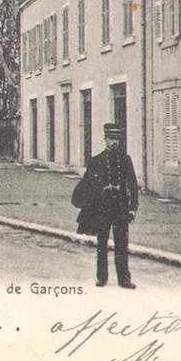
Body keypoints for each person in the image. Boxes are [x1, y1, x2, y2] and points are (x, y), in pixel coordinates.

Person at [74, 123, 139, 289]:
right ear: (105, 140)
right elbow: (88, 184)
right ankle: (101, 277)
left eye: (117, 139)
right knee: (101, 244)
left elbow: (132, 185)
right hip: (102, 208)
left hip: (120, 208)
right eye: (111, 139)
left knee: (121, 244)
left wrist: (133, 208)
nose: (114, 142)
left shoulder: (125, 160)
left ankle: (124, 279)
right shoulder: (96, 161)